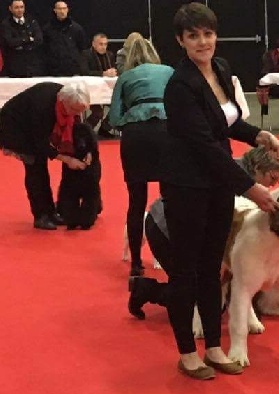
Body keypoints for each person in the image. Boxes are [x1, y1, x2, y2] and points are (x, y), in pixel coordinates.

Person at [161, 2, 279, 380]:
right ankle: (186, 352)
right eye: (194, 35)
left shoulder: (221, 69)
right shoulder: (179, 85)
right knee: (185, 271)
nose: (203, 42)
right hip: (187, 186)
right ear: (181, 40)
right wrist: (250, 189)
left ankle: (214, 346)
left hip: (216, 184)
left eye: (208, 33)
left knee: (213, 266)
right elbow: (204, 145)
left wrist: (257, 135)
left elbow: (226, 121)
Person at [128, 146, 279, 320]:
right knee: (202, 297)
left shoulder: (238, 172)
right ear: (257, 168)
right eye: (272, 178)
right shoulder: (234, 179)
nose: (272, 186)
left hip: (186, 227)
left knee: (214, 287)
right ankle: (144, 289)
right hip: (165, 230)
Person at [109, 35, 174, 277]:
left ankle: (136, 262)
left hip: (136, 137)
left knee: (136, 202)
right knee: (171, 199)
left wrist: (135, 116)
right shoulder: (168, 71)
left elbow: (115, 118)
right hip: (167, 133)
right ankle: (173, 253)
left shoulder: (125, 77)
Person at [0, 82, 91, 229]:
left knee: (41, 167)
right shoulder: (43, 107)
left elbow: (78, 128)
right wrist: (67, 159)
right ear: (64, 102)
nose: (76, 114)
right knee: (35, 167)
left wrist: (87, 150)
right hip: (16, 128)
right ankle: (40, 215)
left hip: (33, 128)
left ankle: (50, 212)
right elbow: (40, 143)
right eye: (74, 110)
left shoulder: (69, 98)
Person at [1, 0, 45, 77]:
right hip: (15, 67)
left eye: (22, 7)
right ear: (10, 8)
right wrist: (28, 39)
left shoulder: (32, 21)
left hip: (33, 66)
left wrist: (21, 43)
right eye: (16, 7)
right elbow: (10, 42)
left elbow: (39, 39)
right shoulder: (6, 24)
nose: (20, 10)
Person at [83, 33, 117, 137]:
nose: (103, 47)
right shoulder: (85, 54)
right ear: (93, 44)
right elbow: (84, 72)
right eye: (101, 44)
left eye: (105, 44)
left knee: (118, 108)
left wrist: (113, 72)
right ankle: (84, 132)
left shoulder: (109, 55)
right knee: (98, 113)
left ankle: (105, 128)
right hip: (90, 90)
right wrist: (103, 74)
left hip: (107, 89)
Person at [42, 0, 87, 77]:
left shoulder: (76, 28)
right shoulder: (47, 29)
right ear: (55, 10)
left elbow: (82, 47)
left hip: (72, 69)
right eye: (59, 9)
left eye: (64, 8)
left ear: (67, 10)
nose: (62, 11)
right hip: (53, 70)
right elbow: (44, 48)